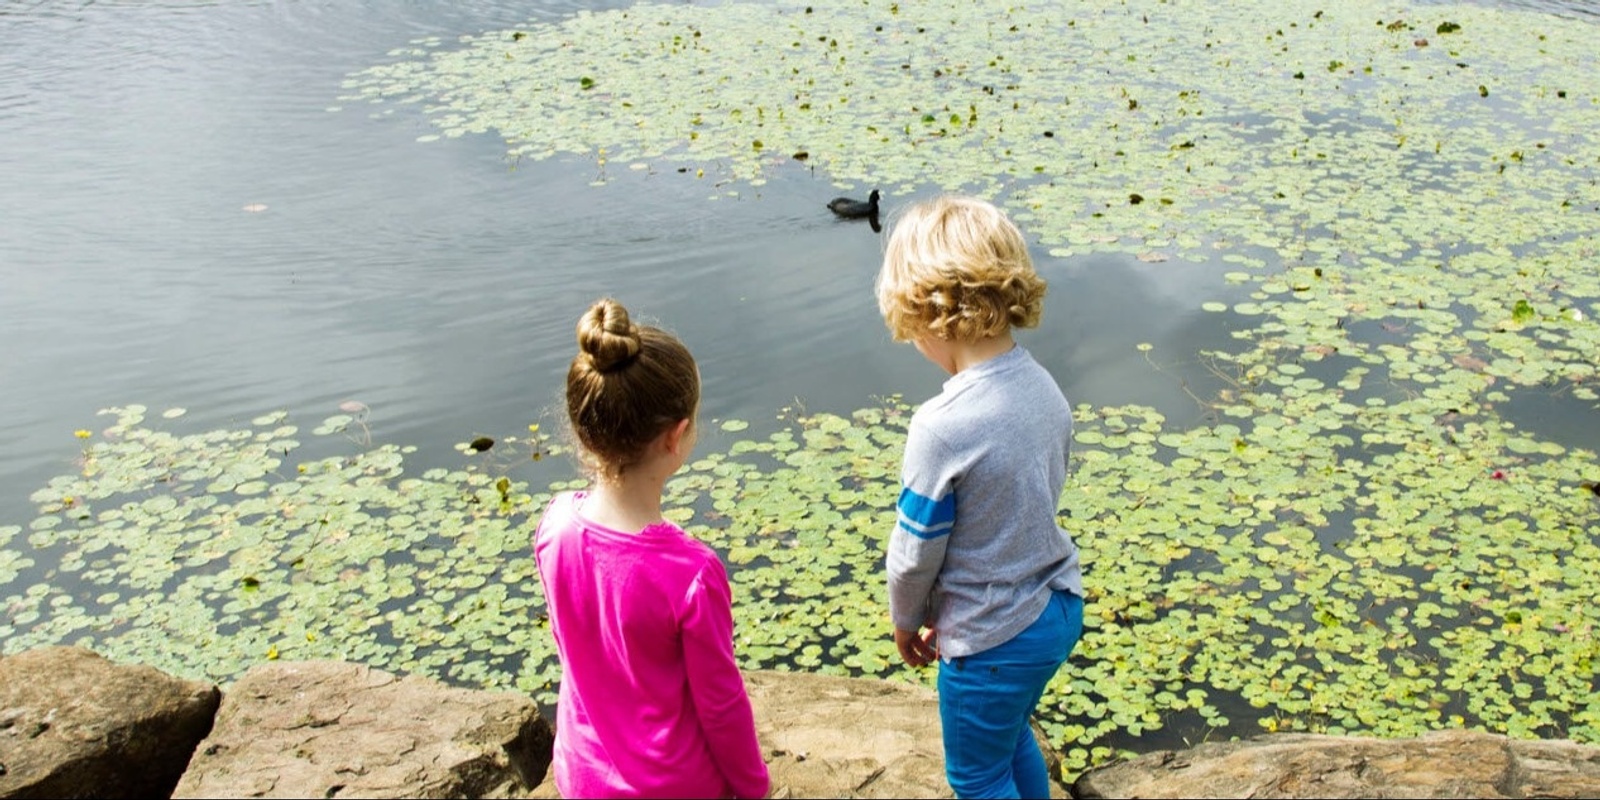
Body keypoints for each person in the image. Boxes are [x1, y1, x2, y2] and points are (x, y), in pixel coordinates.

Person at [875, 195, 1086, 799]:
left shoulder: (941, 426)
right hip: (1055, 608)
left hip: (993, 637)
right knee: (1009, 735)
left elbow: (913, 555)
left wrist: (906, 620)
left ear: (925, 312)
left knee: (975, 776)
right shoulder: (1042, 387)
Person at [533, 298, 769, 799]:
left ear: (584, 428)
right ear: (677, 436)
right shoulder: (690, 573)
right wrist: (754, 788)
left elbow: (574, 649)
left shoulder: (555, 527)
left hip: (581, 776)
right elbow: (720, 705)